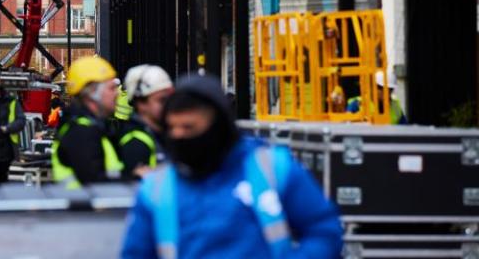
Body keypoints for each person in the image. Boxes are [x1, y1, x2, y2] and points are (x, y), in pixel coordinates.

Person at [121, 76, 343, 259]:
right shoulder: (157, 188)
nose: (179, 137)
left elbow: (323, 231)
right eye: (173, 128)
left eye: (189, 128)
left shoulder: (271, 167)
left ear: (217, 126)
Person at [51, 55, 123, 188]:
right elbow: (97, 186)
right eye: (111, 88)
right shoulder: (81, 133)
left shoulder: (88, 127)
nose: (117, 94)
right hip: (84, 207)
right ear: (92, 93)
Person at [118, 65, 173, 179]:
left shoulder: (166, 134)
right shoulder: (135, 143)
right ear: (141, 103)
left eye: (170, 99)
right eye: (161, 100)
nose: (168, 105)